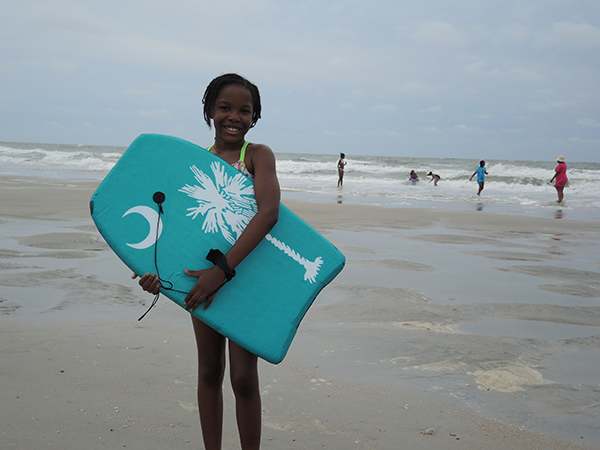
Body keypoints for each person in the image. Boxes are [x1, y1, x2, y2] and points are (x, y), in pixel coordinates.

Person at [134, 73, 280, 450]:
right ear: (209, 112)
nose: (234, 117)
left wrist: (223, 271)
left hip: (244, 273)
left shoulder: (258, 155)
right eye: (225, 108)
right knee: (209, 369)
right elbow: (176, 229)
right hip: (203, 277)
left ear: (255, 117)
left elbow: (268, 214)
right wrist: (152, 273)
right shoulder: (195, 162)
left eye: (244, 111)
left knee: (244, 378)